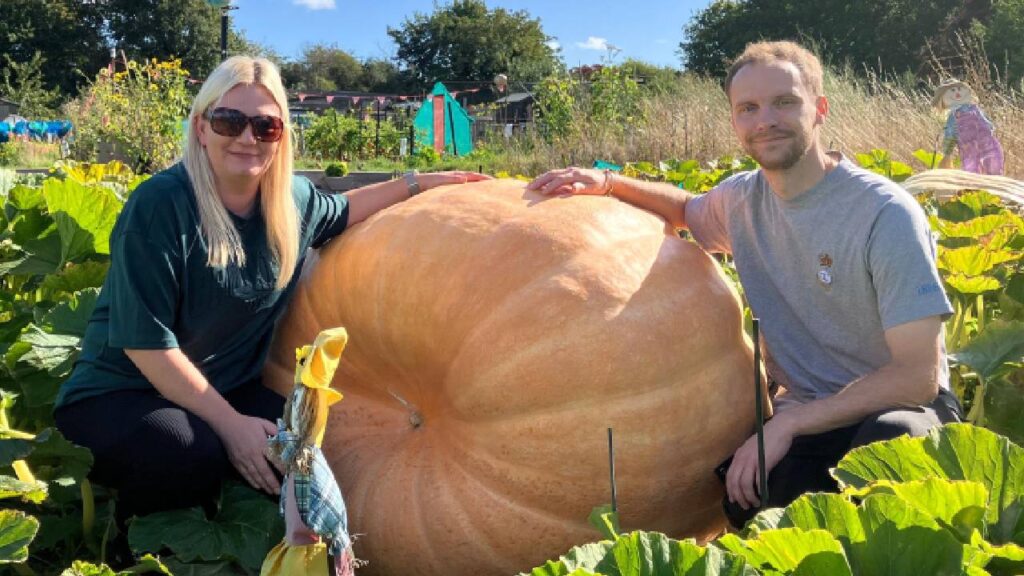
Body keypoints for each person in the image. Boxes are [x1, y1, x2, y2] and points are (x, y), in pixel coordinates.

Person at [527, 41, 962, 528]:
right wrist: (606, 183)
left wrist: (790, 422)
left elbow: (916, 377)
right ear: (735, 121)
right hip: (812, 413)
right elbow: (684, 209)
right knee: (747, 501)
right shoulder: (741, 201)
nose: (765, 120)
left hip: (896, 407)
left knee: (894, 445)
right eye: (748, 108)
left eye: (784, 102)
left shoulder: (883, 213)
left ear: (819, 109)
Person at [53, 55, 487, 521]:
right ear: (201, 128)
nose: (246, 138)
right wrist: (232, 427)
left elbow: (343, 207)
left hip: (223, 388)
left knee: (307, 439)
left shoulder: (290, 204)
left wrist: (419, 182)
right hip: (122, 392)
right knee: (187, 451)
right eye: (229, 121)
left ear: (281, 138)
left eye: (265, 127)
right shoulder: (160, 205)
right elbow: (147, 346)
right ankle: (133, 549)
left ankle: (250, 528)